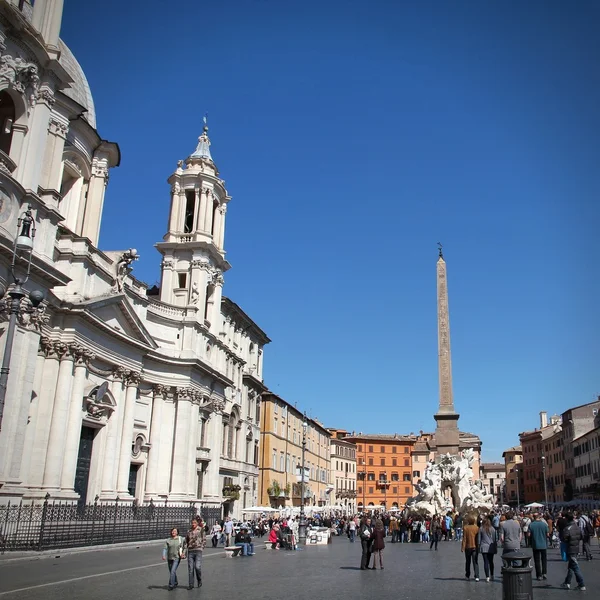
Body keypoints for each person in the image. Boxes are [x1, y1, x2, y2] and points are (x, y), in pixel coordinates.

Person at [562, 513, 586, 590]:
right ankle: (567, 582)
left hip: (570, 549)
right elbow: (582, 536)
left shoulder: (567, 528)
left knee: (575, 567)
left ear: (567, 519)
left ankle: (581, 584)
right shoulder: (578, 527)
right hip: (576, 548)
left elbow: (564, 539)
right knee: (571, 566)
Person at [185, 518, 206, 590]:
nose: (193, 524)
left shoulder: (201, 529)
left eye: (194, 523)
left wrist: (202, 547)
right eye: (192, 522)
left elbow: (204, 539)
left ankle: (199, 579)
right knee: (190, 568)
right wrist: (185, 550)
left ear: (197, 523)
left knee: (197, 567)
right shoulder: (189, 531)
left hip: (198, 550)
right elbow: (186, 541)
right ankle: (191, 584)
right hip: (190, 550)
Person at [529, 513, 548, 581]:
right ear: (539, 517)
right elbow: (548, 534)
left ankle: (539, 575)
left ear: (533, 517)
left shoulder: (531, 525)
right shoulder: (544, 524)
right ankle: (544, 573)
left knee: (537, 560)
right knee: (544, 560)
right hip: (543, 545)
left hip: (535, 545)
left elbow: (528, 534)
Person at [478, 516, 497, 582]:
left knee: (485, 562)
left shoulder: (481, 529)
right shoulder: (493, 529)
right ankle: (492, 575)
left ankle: (487, 577)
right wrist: (495, 548)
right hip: (491, 547)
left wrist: (479, 547)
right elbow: (495, 540)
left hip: (484, 547)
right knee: (491, 562)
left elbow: (479, 540)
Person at [461, 516, 480, 581]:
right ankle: (477, 576)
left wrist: (462, 547)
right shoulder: (477, 528)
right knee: (475, 562)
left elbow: (464, 538)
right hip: (475, 547)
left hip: (468, 547)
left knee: (468, 562)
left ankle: (467, 575)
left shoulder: (465, 527)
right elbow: (478, 539)